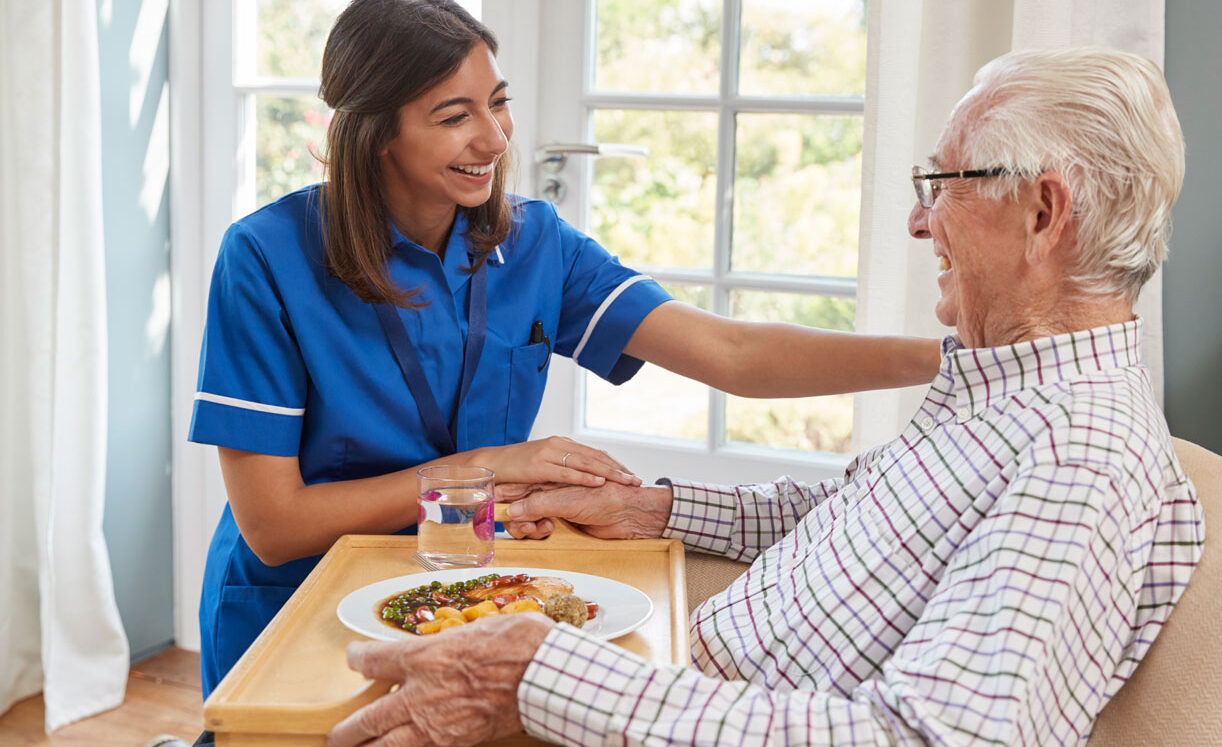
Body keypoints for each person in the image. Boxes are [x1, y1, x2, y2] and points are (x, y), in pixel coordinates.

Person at [326, 46, 1206, 746]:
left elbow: (938, 737)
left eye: (940, 185)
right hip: (676, 669)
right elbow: (859, 515)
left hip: (678, 699)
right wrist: (655, 507)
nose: (916, 220)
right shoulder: (1008, 395)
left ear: (1044, 214)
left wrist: (537, 676)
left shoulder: (1079, 454)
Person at [187, 0, 941, 700]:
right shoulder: (265, 258)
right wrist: (481, 468)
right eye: (455, 116)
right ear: (376, 132)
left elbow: (732, 352)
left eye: (498, 101)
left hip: (464, 588)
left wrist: (951, 353)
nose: (494, 136)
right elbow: (274, 524)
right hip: (299, 603)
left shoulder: (535, 242)